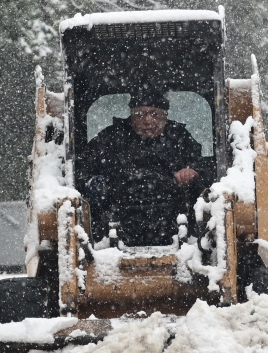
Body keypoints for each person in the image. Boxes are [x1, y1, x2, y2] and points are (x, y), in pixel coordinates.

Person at [83, 90, 207, 246]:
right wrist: (95, 182)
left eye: (155, 114)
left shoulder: (180, 137)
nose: (148, 121)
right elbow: (82, 168)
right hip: (115, 222)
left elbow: (204, 166)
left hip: (175, 222)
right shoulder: (111, 137)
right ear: (131, 117)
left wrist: (192, 172)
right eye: (141, 114)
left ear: (165, 116)